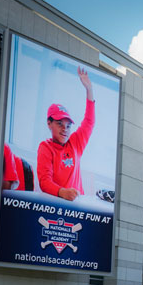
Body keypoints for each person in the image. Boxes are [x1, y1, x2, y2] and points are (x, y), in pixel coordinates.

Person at [37, 67, 95, 201]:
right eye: (60, 124)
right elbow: (44, 182)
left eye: (68, 126)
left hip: (78, 205)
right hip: (57, 205)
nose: (65, 129)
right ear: (49, 123)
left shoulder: (75, 143)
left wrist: (89, 90)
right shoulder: (45, 147)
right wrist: (62, 192)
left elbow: (89, 122)